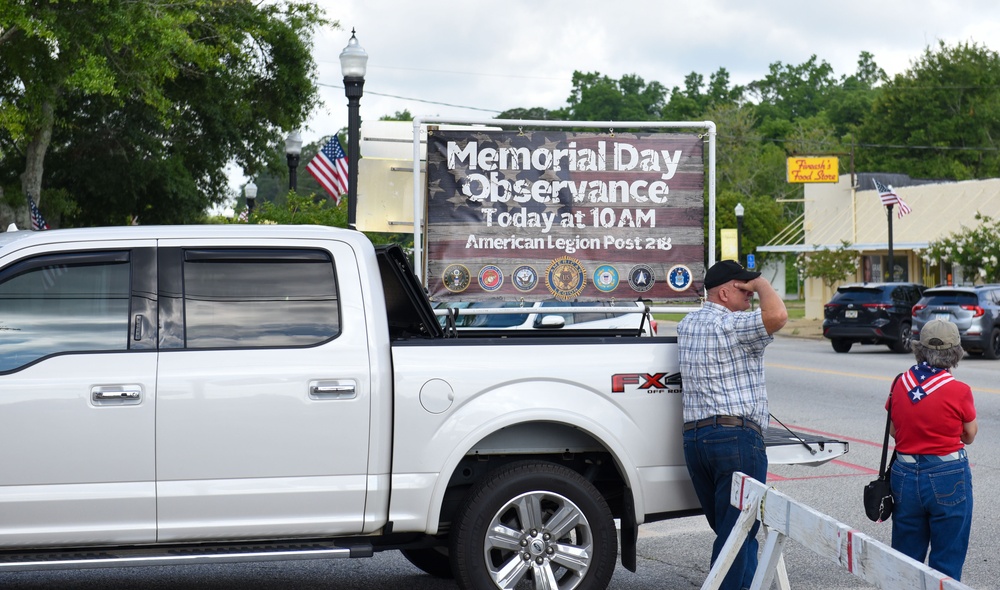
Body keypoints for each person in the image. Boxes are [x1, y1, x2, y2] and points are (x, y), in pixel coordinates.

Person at [677, 259, 788, 590]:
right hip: (735, 441)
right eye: (744, 290)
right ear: (724, 293)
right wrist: (762, 283)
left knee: (732, 533)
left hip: (696, 442)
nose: (750, 296)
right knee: (738, 537)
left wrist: (749, 285)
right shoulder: (733, 326)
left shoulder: (687, 325)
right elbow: (778, 315)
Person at [888, 319, 977, 581]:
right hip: (946, 473)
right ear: (956, 352)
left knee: (905, 558)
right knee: (946, 559)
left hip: (904, 473)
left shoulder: (900, 383)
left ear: (919, 348)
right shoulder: (959, 390)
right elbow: (969, 435)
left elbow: (894, 431)